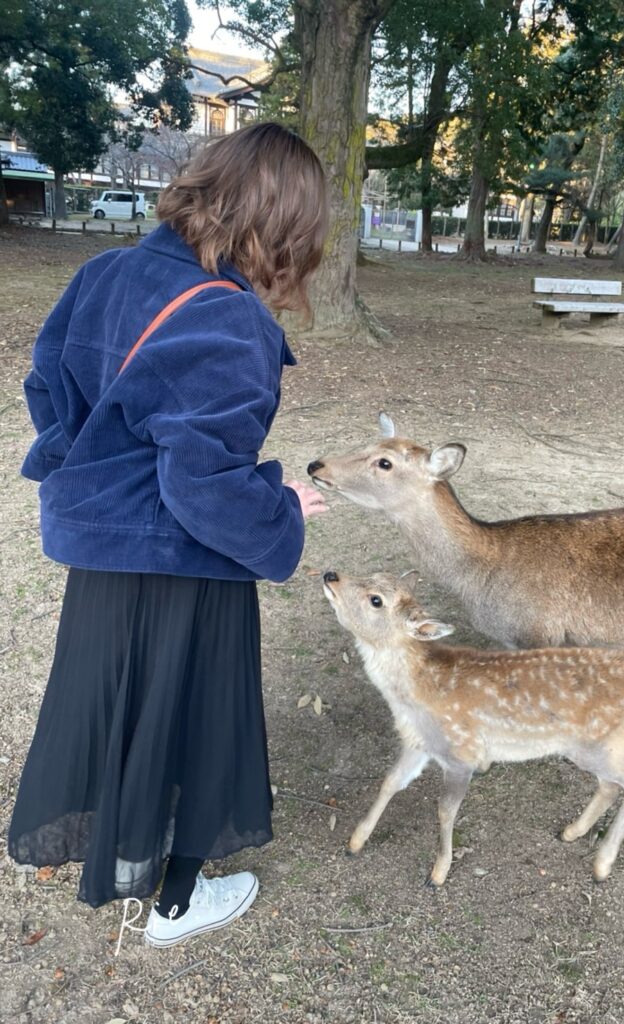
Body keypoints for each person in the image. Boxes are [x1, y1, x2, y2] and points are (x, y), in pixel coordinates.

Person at [7, 123, 329, 948]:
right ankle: (174, 905)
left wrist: (85, 464)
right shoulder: (230, 319)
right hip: (183, 568)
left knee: (127, 712)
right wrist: (283, 505)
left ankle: (134, 875)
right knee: (193, 723)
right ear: (282, 224)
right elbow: (202, 486)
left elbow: (48, 386)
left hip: (104, 561)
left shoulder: (103, 271)